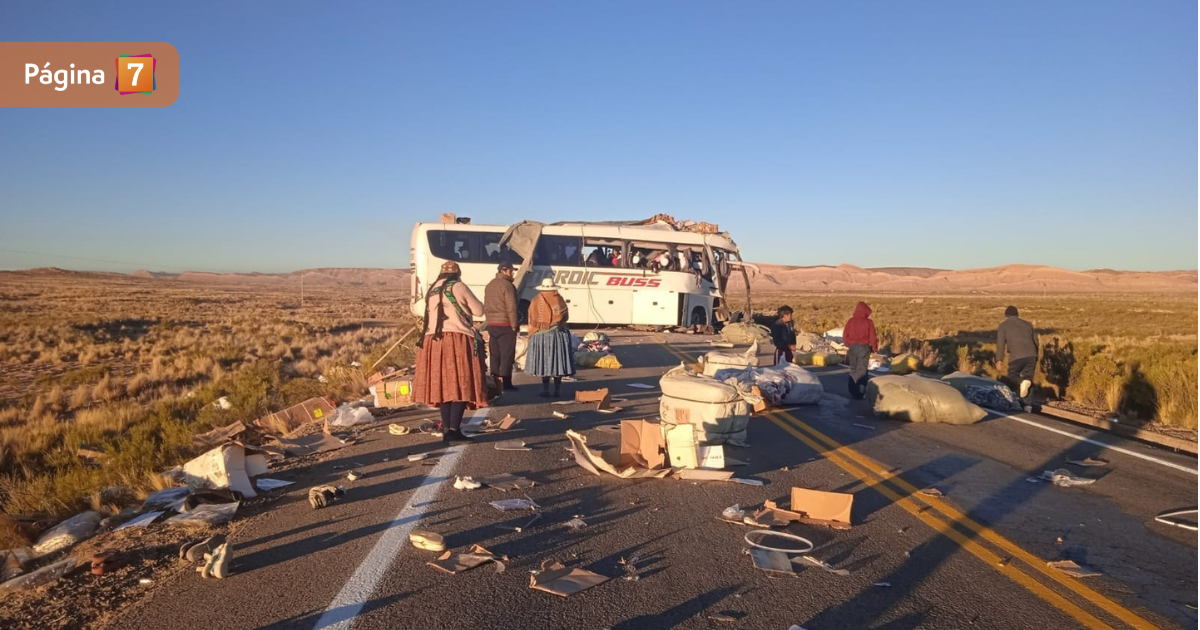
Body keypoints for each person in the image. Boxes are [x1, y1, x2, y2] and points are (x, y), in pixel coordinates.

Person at [414, 260, 488, 443]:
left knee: (444, 387)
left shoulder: (432, 289)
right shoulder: (458, 286)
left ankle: (447, 430)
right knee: (461, 384)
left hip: (434, 342)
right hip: (457, 339)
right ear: (457, 273)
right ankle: (454, 431)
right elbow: (479, 311)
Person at [525, 277, 575, 397]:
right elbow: (565, 316)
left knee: (545, 362)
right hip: (557, 335)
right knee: (557, 362)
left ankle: (546, 389)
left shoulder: (535, 300)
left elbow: (532, 318)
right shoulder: (558, 299)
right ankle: (557, 390)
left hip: (540, 336)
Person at [484, 261, 520, 392]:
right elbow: (511, 307)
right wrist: (514, 325)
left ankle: (495, 380)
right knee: (507, 354)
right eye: (510, 271)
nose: (512, 273)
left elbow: (486, 306)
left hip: (492, 324)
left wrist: (488, 321)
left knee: (495, 354)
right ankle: (506, 382)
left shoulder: (489, 285)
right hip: (505, 324)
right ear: (503, 271)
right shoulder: (508, 286)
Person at [996, 305, 1039, 402]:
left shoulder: (1003, 326)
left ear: (1006, 315)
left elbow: (1000, 344)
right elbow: (1036, 341)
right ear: (1017, 314)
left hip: (1016, 355)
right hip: (1031, 354)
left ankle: (1021, 383)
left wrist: (999, 359)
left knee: (1012, 375)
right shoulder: (1028, 324)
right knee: (1028, 379)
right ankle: (1028, 405)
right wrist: (1036, 356)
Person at [843, 301, 878, 400]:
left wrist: (848, 344)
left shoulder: (851, 321)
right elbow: (873, 337)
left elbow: (845, 335)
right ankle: (860, 390)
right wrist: (874, 348)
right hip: (864, 347)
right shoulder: (869, 322)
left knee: (853, 369)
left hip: (853, 347)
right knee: (862, 369)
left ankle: (853, 390)